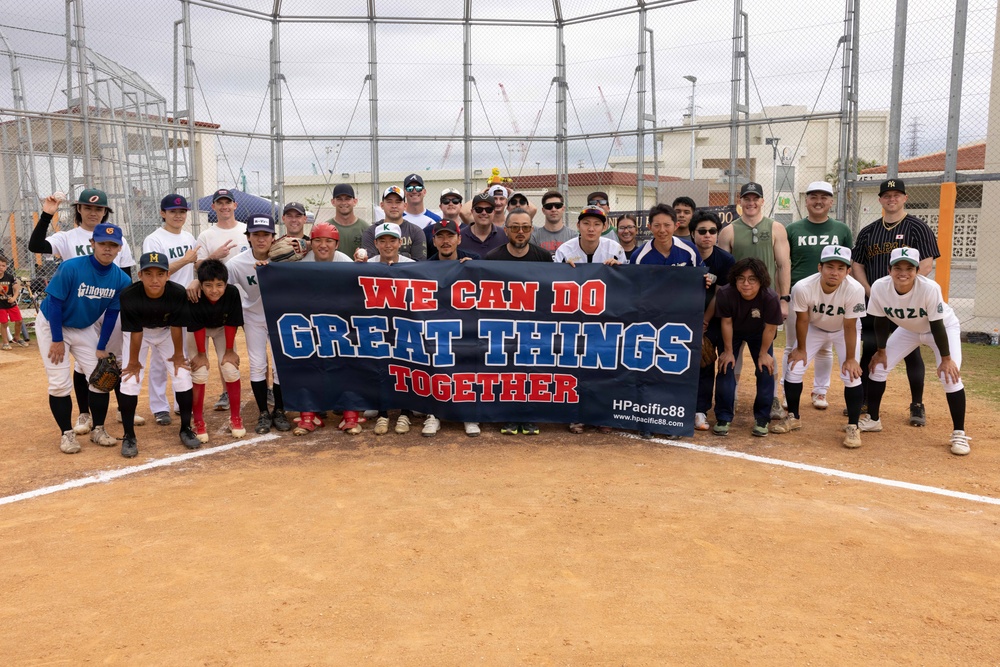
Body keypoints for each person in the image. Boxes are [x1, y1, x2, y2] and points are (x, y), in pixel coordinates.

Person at [28, 188, 139, 433]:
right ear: (79, 209)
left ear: (105, 212)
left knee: (107, 366)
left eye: (98, 208)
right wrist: (47, 215)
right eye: (87, 207)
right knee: (78, 370)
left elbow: (125, 279)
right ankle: (83, 414)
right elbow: (35, 245)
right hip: (69, 308)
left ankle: (122, 410)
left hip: (104, 307)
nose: (93, 212)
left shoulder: (119, 240)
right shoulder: (67, 237)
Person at [860, 248, 970, 456]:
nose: (903, 272)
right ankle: (873, 419)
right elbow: (880, 320)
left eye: (909, 268)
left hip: (942, 329)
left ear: (917, 270)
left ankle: (959, 433)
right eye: (897, 268)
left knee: (950, 376)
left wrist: (946, 359)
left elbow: (937, 325)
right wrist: (881, 350)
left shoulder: (929, 288)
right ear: (889, 270)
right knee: (878, 368)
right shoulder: (880, 287)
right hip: (909, 329)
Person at [852, 178, 939, 428]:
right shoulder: (869, 231)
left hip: (907, 304)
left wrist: (906, 291)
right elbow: (857, 262)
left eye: (896, 195)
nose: (892, 199)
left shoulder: (917, 227)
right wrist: (870, 290)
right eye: (887, 195)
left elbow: (926, 263)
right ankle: (865, 400)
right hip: (876, 303)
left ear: (904, 198)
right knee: (870, 348)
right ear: (880, 200)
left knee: (912, 353)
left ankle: (917, 405)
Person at [771, 246, 866, 448]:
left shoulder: (855, 289)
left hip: (843, 329)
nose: (835, 272)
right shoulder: (803, 287)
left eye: (841, 268)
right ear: (819, 267)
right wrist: (801, 349)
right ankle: (794, 417)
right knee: (794, 367)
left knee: (851, 374)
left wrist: (850, 359)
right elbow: (802, 320)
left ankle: (853, 426)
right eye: (830, 266)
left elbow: (850, 326)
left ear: (848, 271)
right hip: (815, 327)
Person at [717, 181, 792, 419]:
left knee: (767, 351)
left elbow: (783, 265)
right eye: (746, 199)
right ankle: (731, 396)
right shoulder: (728, 231)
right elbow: (723, 270)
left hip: (765, 302)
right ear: (740, 202)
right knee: (731, 352)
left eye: (755, 199)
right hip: (737, 304)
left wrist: (784, 299)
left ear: (762, 201)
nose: (751, 203)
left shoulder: (776, 228)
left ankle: (773, 400)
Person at [118, 251, 200, 458]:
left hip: (166, 332)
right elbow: (135, 332)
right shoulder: (129, 295)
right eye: (149, 274)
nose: (155, 279)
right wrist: (135, 362)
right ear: (140, 275)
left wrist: (179, 356)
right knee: (130, 379)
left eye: (160, 274)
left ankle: (185, 428)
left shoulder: (177, 292)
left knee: (182, 375)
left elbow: (176, 326)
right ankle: (129, 435)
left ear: (168, 275)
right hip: (140, 334)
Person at [782, 181, 853, 412]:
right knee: (792, 345)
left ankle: (820, 391)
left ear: (831, 202)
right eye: (813, 196)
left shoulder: (841, 230)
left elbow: (847, 264)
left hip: (832, 296)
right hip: (800, 294)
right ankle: (786, 390)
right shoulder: (793, 229)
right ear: (806, 201)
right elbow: (784, 263)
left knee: (825, 347)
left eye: (824, 197)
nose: (819, 201)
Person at [556, 207, 625, 435]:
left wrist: (619, 270)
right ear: (578, 226)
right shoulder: (565, 250)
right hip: (573, 318)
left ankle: (603, 415)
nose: (591, 228)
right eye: (586, 223)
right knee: (576, 368)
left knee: (603, 366)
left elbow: (629, 283)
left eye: (597, 224)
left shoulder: (614, 248)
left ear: (604, 227)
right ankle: (576, 416)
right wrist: (563, 272)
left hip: (605, 317)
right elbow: (552, 283)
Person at [485, 208, 552, 436]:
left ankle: (530, 416)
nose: (520, 232)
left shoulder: (544, 257)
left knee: (533, 371)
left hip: (534, 326)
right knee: (507, 372)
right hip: (503, 328)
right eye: (515, 227)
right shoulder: (492, 258)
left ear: (532, 230)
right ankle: (509, 415)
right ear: (506, 231)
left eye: (525, 227)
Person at [226, 214, 293, 435]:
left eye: (266, 235)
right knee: (257, 364)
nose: (261, 239)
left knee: (279, 365)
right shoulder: (238, 263)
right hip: (253, 317)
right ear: (248, 237)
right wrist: (198, 279)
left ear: (274, 238)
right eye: (256, 235)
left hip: (279, 317)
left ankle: (280, 410)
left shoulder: (285, 259)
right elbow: (219, 281)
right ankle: (264, 412)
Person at [188, 188, 250, 414]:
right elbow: (197, 265)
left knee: (250, 348)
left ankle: (268, 388)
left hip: (243, 299)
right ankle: (224, 392)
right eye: (219, 203)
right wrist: (214, 256)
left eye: (228, 203)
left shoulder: (246, 230)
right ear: (213, 207)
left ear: (235, 205)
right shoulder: (206, 235)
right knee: (214, 353)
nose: (224, 207)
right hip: (216, 298)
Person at [142, 194, 198, 426]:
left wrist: (195, 277)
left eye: (182, 211)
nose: (178, 215)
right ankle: (159, 407)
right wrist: (185, 260)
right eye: (173, 211)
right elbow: (156, 273)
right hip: (160, 303)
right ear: (163, 213)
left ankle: (179, 401)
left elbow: (195, 266)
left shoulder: (188, 236)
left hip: (183, 303)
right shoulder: (154, 239)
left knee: (181, 355)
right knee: (158, 359)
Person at [713, 257, 783, 437]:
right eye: (741, 278)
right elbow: (726, 323)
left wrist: (763, 353)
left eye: (752, 279)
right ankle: (723, 416)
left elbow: (770, 327)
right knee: (725, 366)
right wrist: (728, 351)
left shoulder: (770, 297)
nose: (746, 284)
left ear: (761, 280)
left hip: (760, 334)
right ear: (734, 279)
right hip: (733, 332)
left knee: (765, 368)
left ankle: (762, 418)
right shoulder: (725, 294)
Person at [187, 259, 245, 443]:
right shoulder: (194, 294)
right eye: (208, 285)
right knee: (200, 372)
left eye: (219, 285)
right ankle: (198, 420)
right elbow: (196, 325)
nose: (214, 290)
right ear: (201, 285)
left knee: (229, 368)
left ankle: (235, 418)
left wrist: (229, 351)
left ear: (226, 284)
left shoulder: (232, 293)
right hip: (199, 330)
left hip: (222, 329)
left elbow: (231, 322)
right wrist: (202, 355)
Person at [691, 211, 735, 431]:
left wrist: (705, 323)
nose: (707, 235)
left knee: (716, 363)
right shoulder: (685, 256)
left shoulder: (725, 260)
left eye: (712, 231)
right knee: (699, 364)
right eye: (702, 231)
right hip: (689, 318)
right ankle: (692, 408)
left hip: (717, 319)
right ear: (692, 234)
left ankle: (713, 412)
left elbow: (721, 295)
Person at [361, 186, 427, 260]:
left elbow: (419, 264)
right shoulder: (371, 232)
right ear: (382, 205)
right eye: (389, 202)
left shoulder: (416, 232)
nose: (394, 206)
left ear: (405, 206)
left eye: (398, 202)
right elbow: (371, 263)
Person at [632, 203, 703, 267]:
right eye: (657, 225)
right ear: (650, 227)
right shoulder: (638, 256)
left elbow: (701, 275)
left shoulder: (690, 249)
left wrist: (707, 279)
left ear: (676, 226)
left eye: (667, 225)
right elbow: (632, 280)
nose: (662, 230)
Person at [326, 183, 370, 258]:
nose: (343, 203)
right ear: (333, 202)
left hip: (358, 269)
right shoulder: (326, 227)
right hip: (333, 269)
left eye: (347, 199)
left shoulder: (365, 228)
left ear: (355, 201)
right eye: (339, 199)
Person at [460, 193, 508, 257]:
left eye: (489, 209)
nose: (484, 213)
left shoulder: (505, 236)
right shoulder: (460, 237)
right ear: (472, 212)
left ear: (494, 212)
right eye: (479, 209)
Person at [533, 190, 576, 257]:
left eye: (558, 206)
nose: (553, 209)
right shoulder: (534, 237)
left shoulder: (573, 237)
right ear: (543, 210)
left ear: (563, 209)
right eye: (549, 206)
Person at [424, 188, 466, 255]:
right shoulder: (427, 231)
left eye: (455, 201)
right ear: (440, 206)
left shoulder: (470, 230)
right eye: (446, 201)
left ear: (460, 206)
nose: (451, 204)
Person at [0, 256, 29, 349]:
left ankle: (17, 337)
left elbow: (16, 288)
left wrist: (14, 298)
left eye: (3, 266)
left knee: (19, 321)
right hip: (1, 305)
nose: (1, 267)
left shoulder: (10, 277)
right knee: (4, 323)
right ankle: (5, 342)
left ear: (6, 267)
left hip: (11, 303)